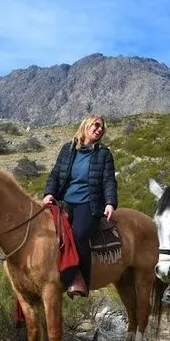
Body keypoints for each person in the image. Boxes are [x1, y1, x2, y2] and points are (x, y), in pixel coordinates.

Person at [43, 114, 117, 297]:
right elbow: (55, 174)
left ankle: (79, 279)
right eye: (96, 125)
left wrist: (109, 203)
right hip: (65, 200)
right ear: (86, 126)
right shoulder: (68, 149)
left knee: (79, 235)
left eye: (102, 127)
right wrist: (49, 193)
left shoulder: (103, 154)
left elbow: (108, 181)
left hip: (89, 203)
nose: (99, 129)